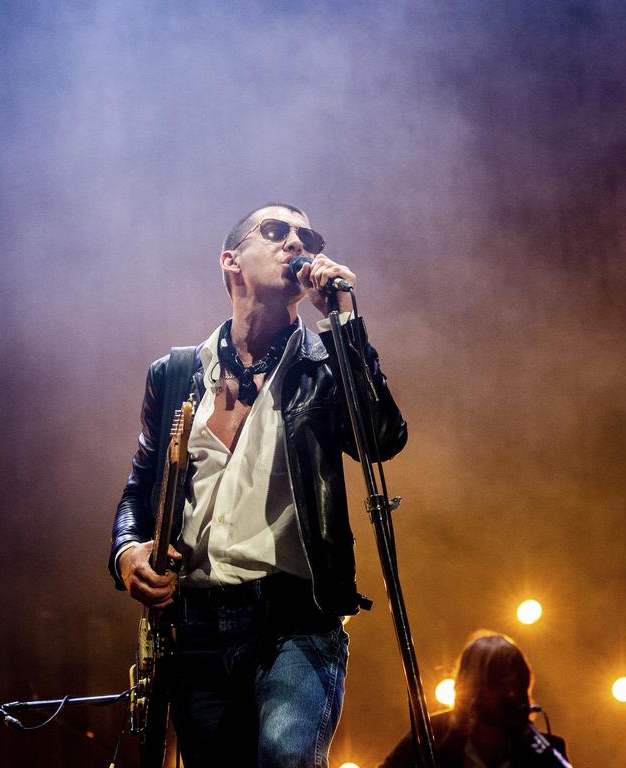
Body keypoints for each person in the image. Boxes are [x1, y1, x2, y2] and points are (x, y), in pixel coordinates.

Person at [109, 203, 408, 767]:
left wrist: (343, 325)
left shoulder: (323, 364)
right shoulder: (173, 373)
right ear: (231, 262)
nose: (297, 242)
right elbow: (137, 490)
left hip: (294, 620)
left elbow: (381, 441)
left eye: (307, 235)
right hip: (195, 625)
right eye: (276, 232)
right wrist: (129, 552)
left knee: (284, 758)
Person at [381, 632, 572, 768]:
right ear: (472, 686)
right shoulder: (432, 736)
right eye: (500, 684)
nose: (511, 694)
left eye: (518, 684)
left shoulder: (545, 752)